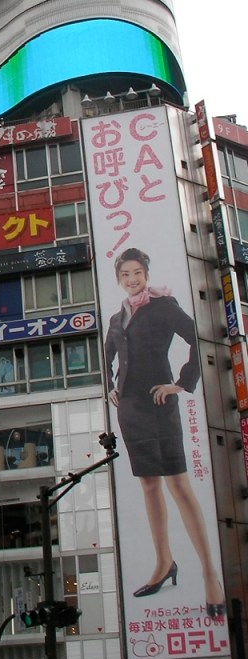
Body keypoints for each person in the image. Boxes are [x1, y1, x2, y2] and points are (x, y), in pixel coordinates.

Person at [104, 247, 225, 617]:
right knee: (149, 485)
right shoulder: (116, 317)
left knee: (178, 484)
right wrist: (108, 384)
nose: (132, 279)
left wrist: (181, 383)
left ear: (146, 272)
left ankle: (209, 575)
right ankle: (163, 562)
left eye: (137, 272)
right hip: (131, 410)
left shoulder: (163, 306)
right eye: (125, 274)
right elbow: (104, 355)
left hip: (159, 404)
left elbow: (198, 338)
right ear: (119, 279)